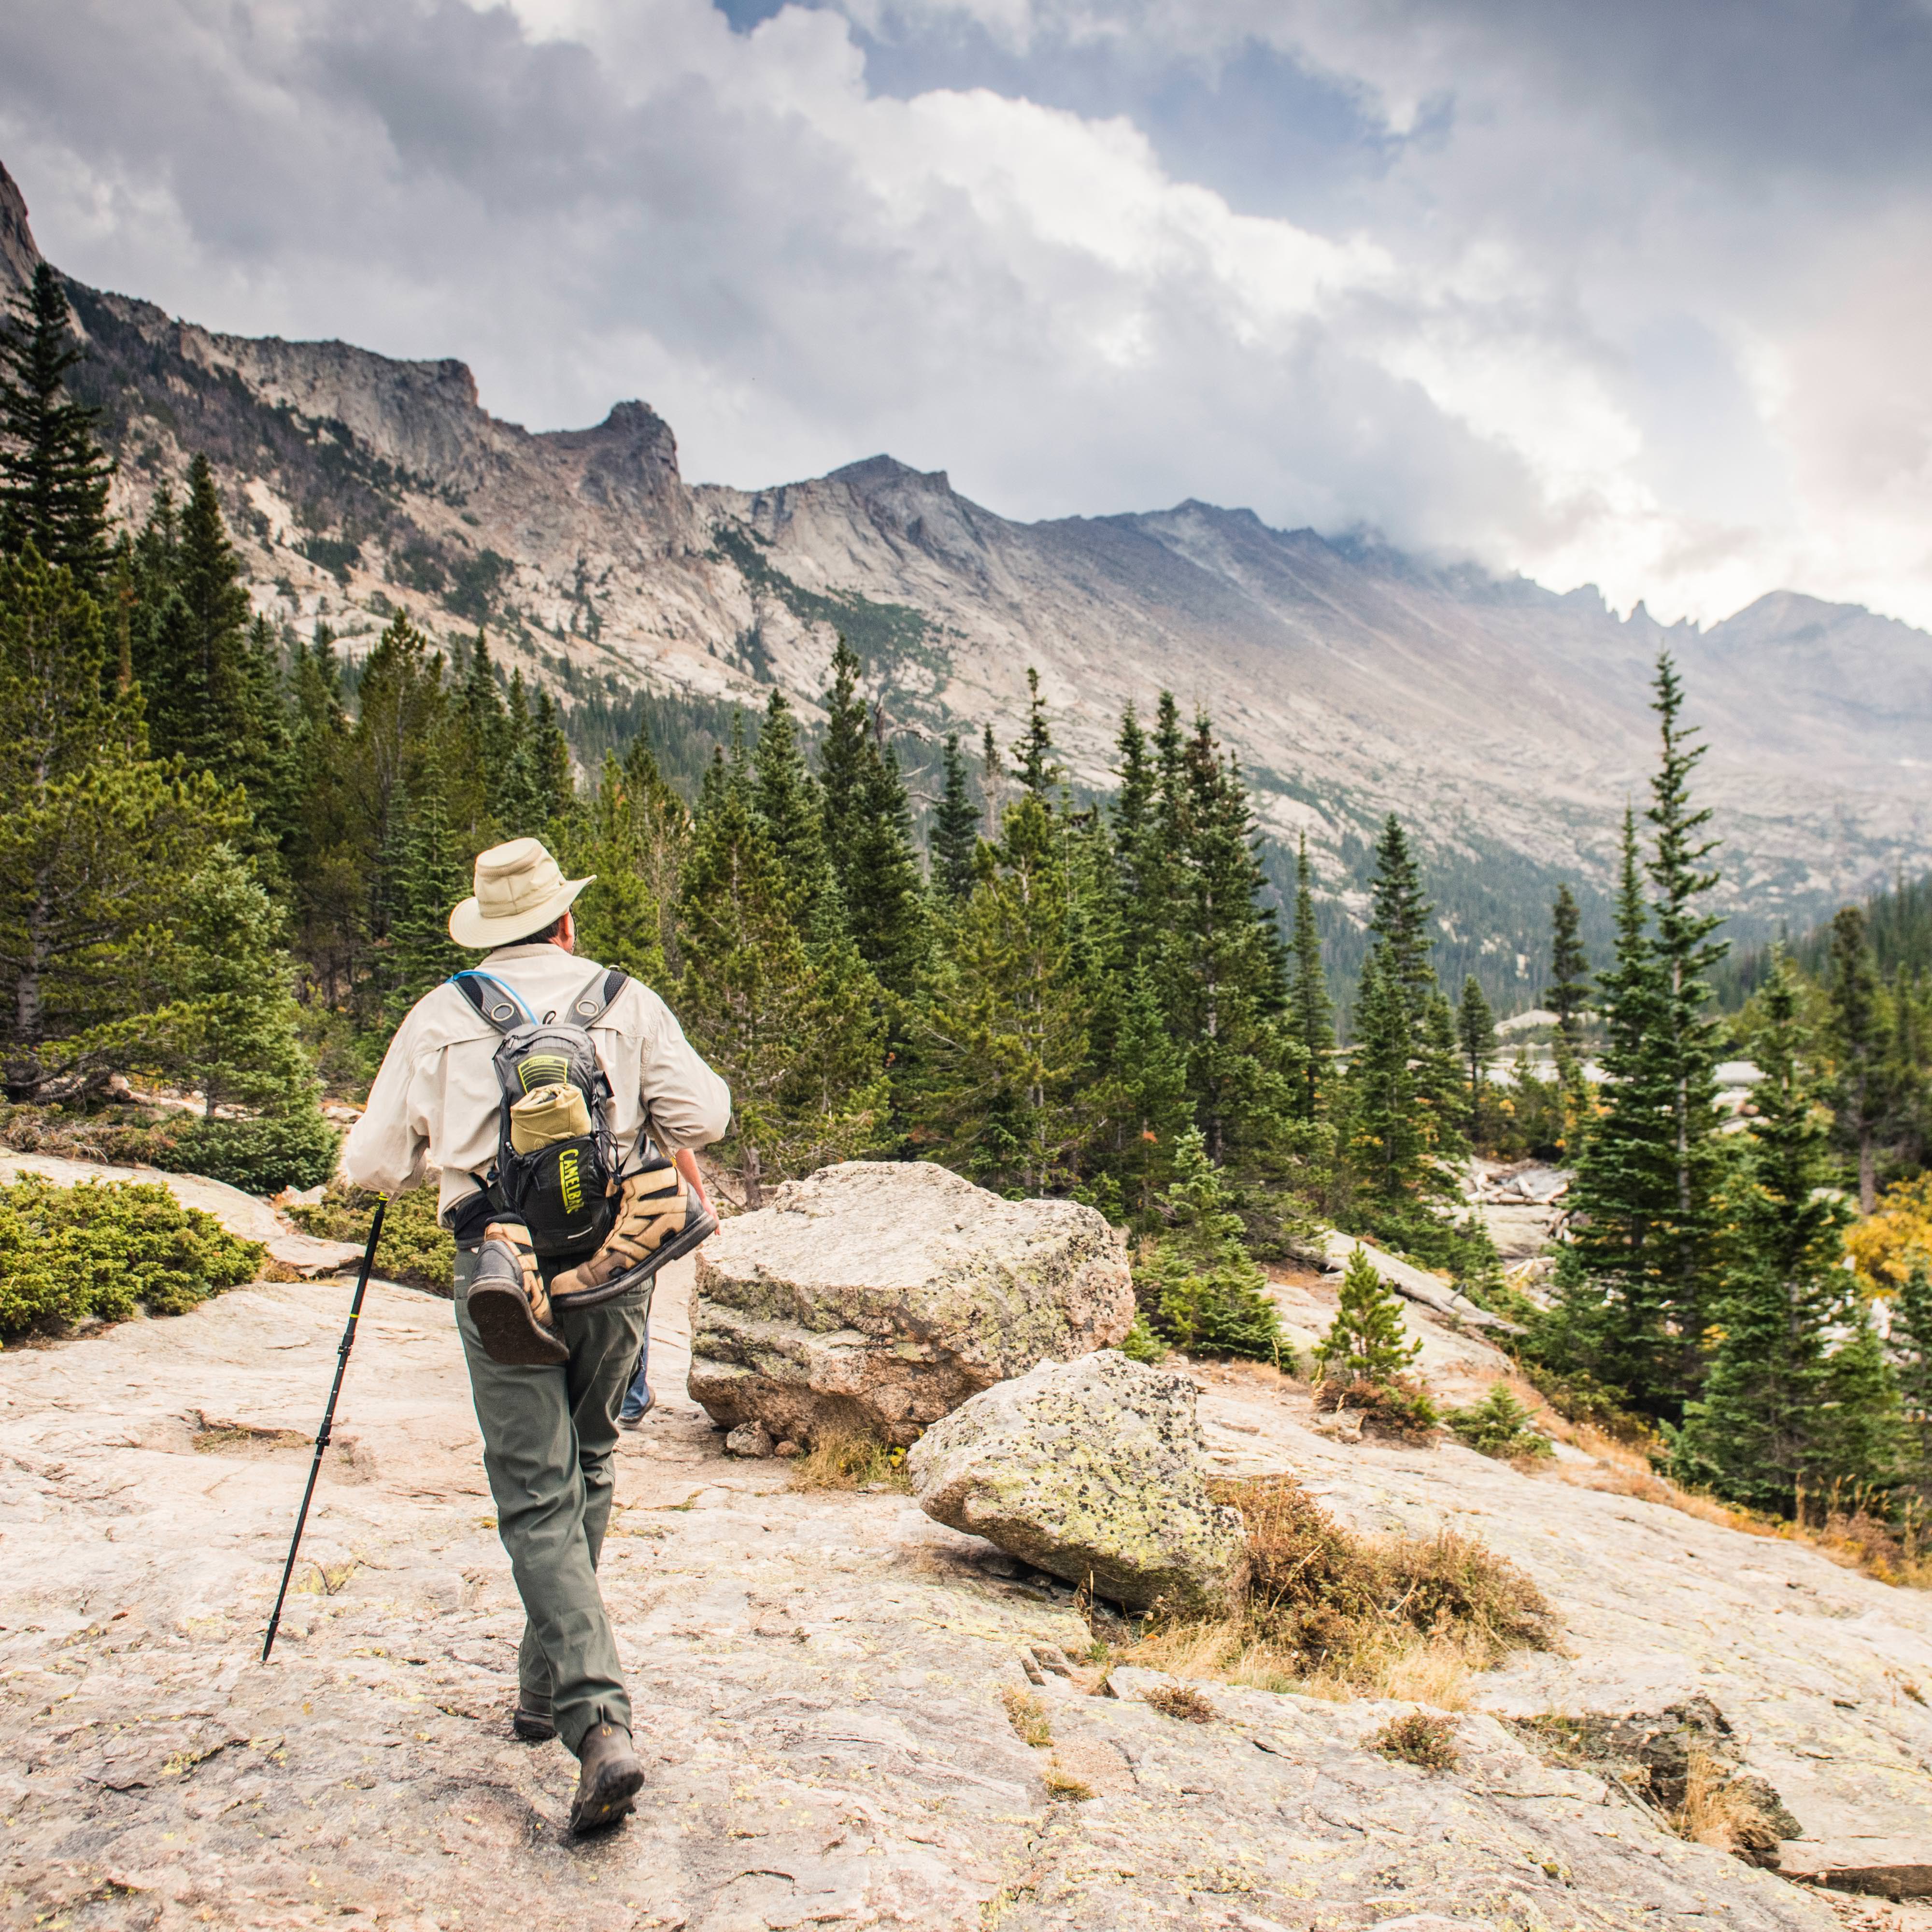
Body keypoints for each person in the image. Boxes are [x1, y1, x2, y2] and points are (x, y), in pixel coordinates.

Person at [343, 837, 730, 1835]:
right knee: (590, 1456)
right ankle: (551, 1688)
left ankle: (591, 1717)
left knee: (531, 1489)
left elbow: (371, 1165)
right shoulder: (624, 999)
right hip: (613, 1263)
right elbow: (706, 1115)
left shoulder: (441, 1013)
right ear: (564, 921)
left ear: (487, 930)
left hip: (498, 1274)